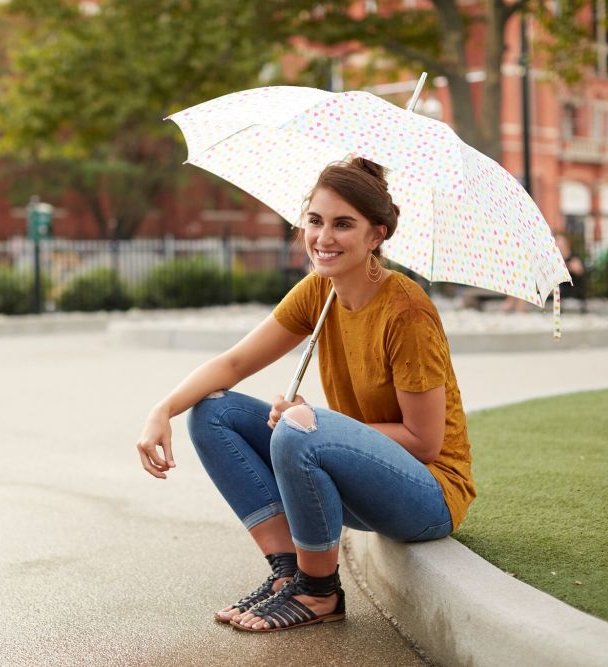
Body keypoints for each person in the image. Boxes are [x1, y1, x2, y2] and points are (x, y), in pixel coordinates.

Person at [135, 158, 476, 633]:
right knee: (213, 411)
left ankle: (320, 592)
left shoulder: (407, 313)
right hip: (360, 478)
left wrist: (311, 422)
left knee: (300, 426)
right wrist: (163, 409)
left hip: (427, 494)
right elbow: (233, 365)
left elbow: (424, 442)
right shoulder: (320, 291)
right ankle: (288, 575)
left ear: (376, 236)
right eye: (315, 221)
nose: (323, 237)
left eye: (343, 225)